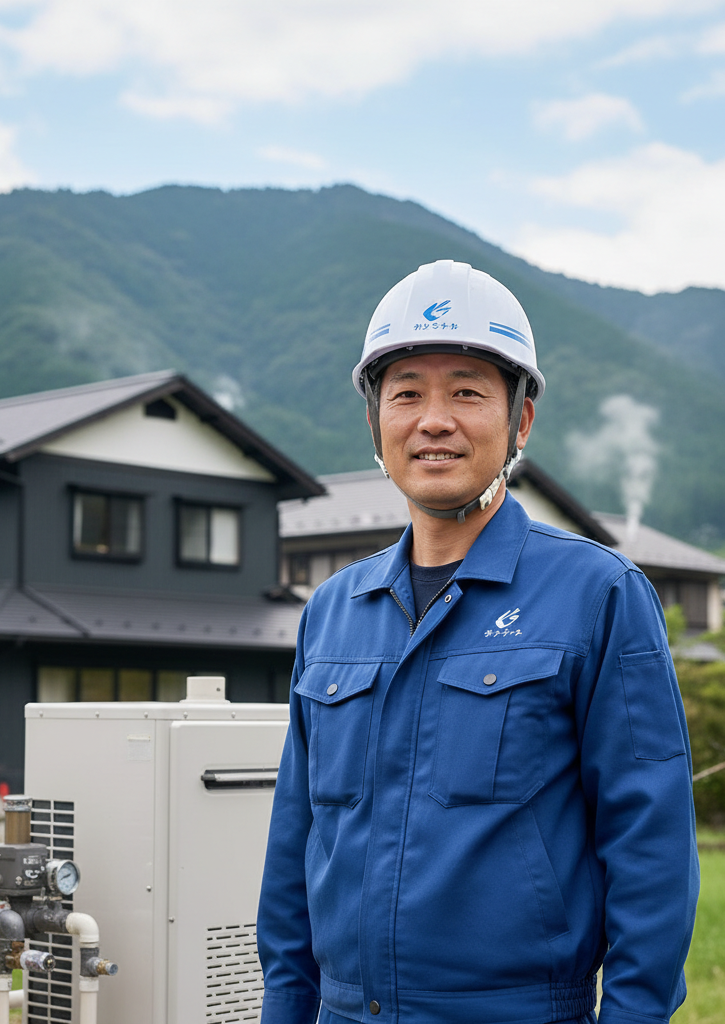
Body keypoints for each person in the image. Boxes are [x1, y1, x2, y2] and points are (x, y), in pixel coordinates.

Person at [257, 260, 699, 1024]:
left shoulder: (597, 595)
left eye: (467, 390)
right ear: (376, 424)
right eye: (406, 393)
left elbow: (651, 850)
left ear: (519, 421)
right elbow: (296, 848)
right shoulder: (332, 611)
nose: (434, 419)